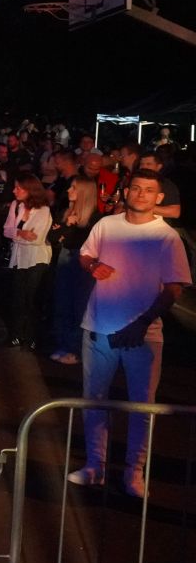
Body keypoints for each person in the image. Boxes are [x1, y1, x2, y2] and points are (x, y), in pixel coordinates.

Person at [69, 169, 190, 498]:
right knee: (94, 401)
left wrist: (143, 322)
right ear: (126, 191)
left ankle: (134, 472)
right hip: (99, 326)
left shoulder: (167, 237)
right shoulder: (107, 225)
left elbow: (174, 288)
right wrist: (92, 265)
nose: (140, 194)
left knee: (141, 407)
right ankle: (95, 466)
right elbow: (85, 253)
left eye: (148, 190)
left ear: (159, 197)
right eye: (135, 188)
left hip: (144, 335)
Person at [48, 176, 101, 364]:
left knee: (79, 305)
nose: (69, 191)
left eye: (74, 188)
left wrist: (64, 231)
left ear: (84, 193)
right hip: (65, 256)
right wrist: (67, 225)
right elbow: (53, 237)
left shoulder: (95, 218)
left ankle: (76, 349)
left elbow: (81, 242)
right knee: (62, 303)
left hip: (82, 260)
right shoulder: (66, 212)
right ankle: (63, 345)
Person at [2, 174, 52, 349]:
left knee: (31, 298)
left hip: (36, 259)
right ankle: (16, 335)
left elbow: (37, 239)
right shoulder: (16, 206)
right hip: (19, 258)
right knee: (17, 298)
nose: (14, 191)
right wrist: (21, 233)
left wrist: (17, 234)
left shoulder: (43, 210)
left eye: (19, 188)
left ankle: (31, 337)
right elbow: (6, 230)